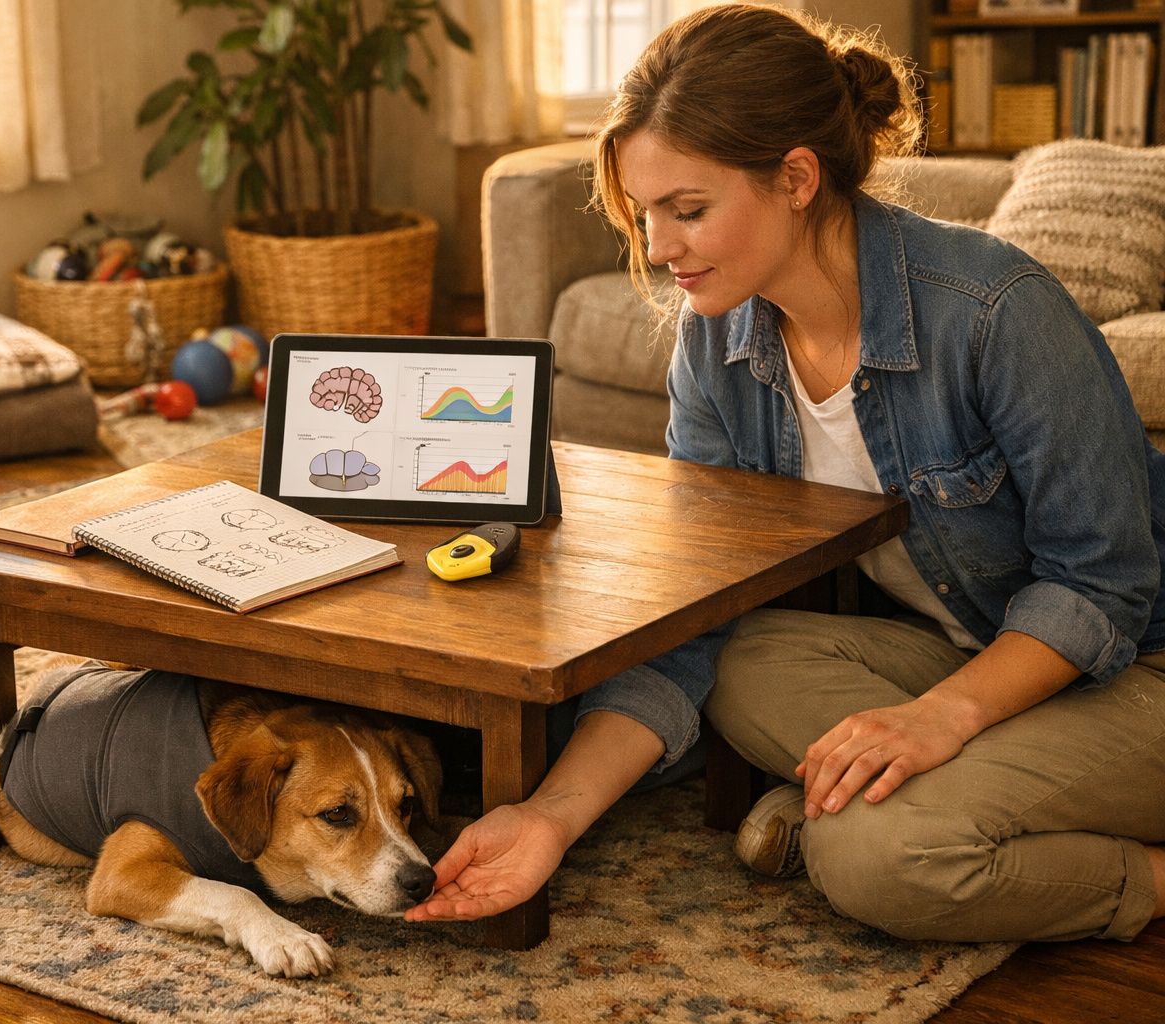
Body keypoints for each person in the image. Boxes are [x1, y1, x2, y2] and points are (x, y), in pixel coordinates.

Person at [406, 2, 1165, 943]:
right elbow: (702, 609)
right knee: (746, 664)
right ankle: (921, 797)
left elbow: (1105, 587)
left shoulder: (996, 313)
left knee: (876, 859)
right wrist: (550, 818)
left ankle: (1124, 867)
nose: (656, 249)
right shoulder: (717, 341)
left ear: (797, 177)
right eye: (645, 214)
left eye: (688, 211)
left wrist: (940, 720)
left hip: (1131, 671)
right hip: (964, 646)